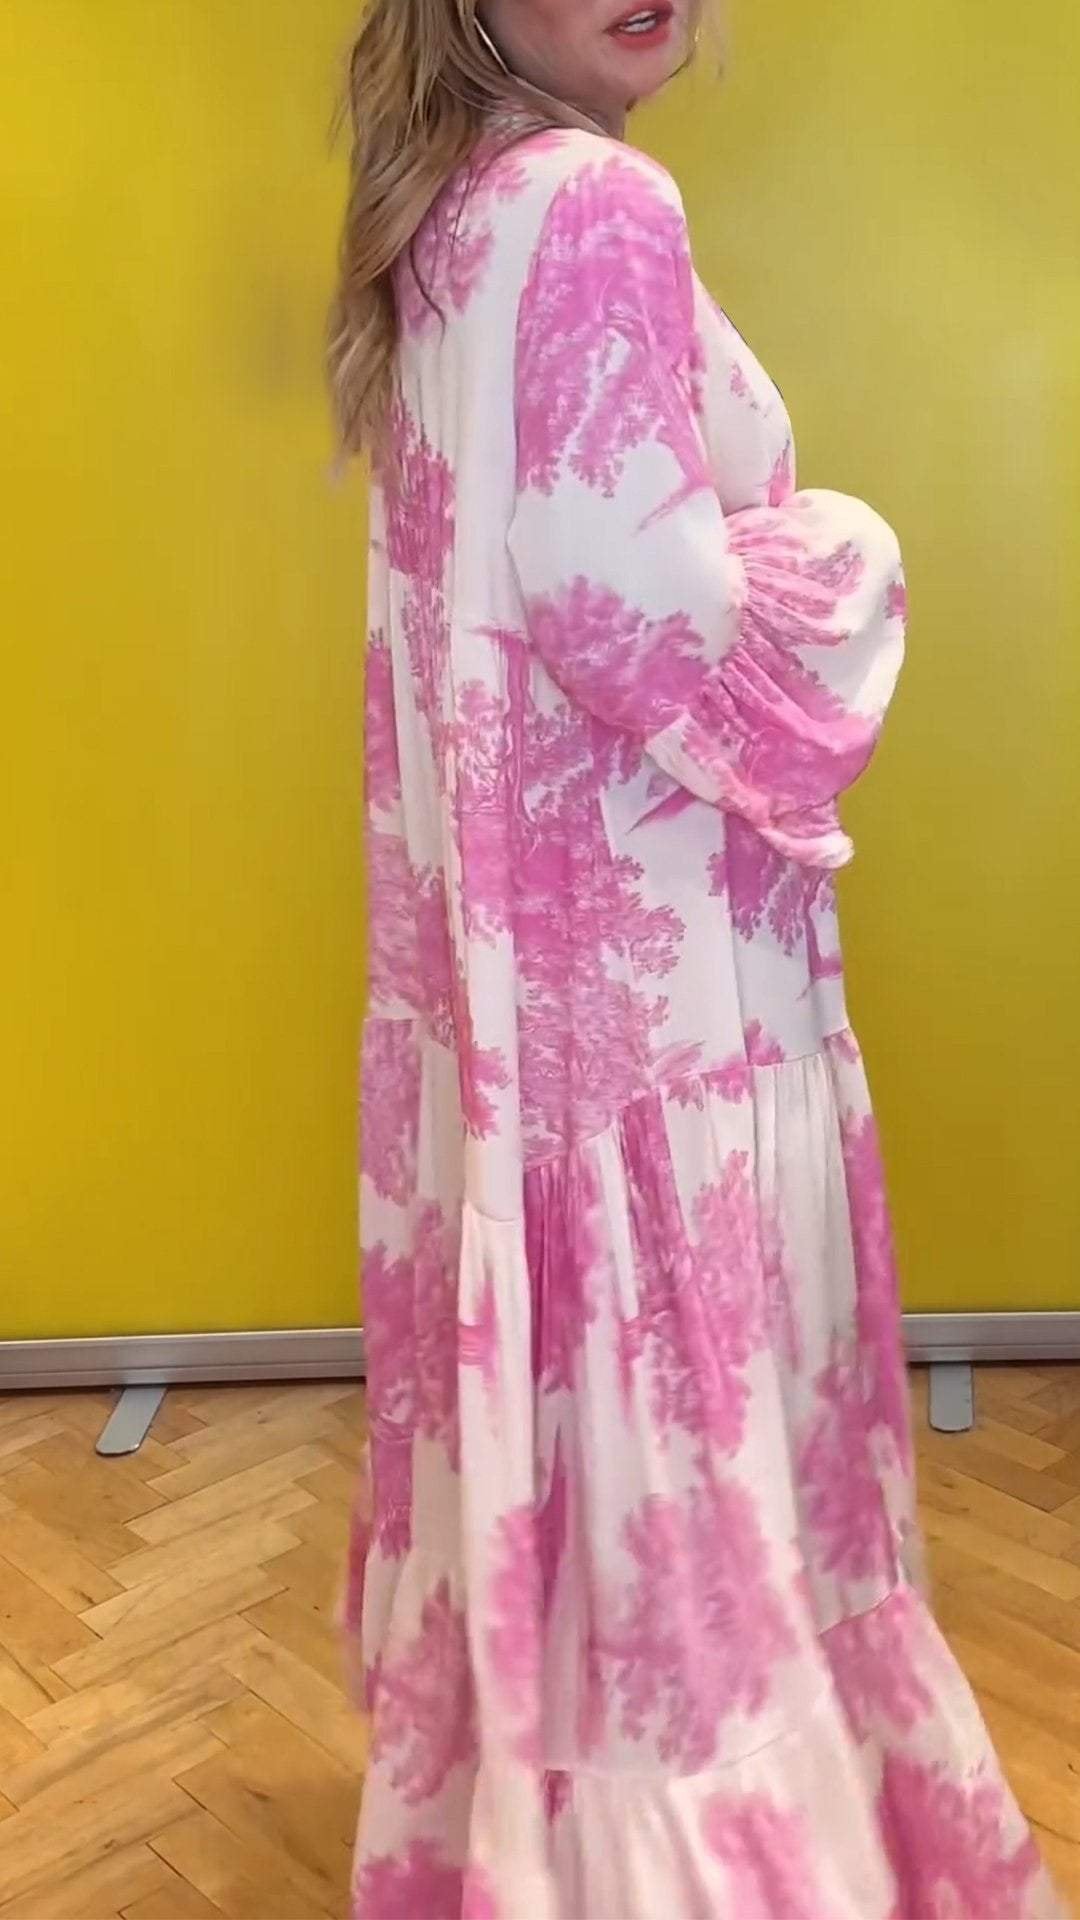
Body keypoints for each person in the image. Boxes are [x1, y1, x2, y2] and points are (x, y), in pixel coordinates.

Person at [331, 4, 1063, 1915]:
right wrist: (854, 553)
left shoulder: (454, 212)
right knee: (693, 1493)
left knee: (599, 1482)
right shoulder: (594, 203)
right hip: (658, 990)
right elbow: (636, 612)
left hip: (532, 995)